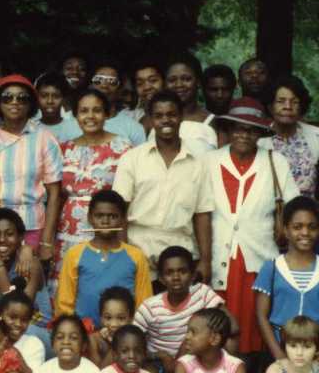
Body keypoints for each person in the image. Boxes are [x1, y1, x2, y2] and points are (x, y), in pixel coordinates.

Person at [205, 97, 299, 357]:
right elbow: (199, 210)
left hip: (258, 257)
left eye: (250, 129)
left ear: (259, 133)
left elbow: (293, 208)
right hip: (219, 256)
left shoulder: (275, 161)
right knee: (219, 325)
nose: (243, 134)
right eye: (237, 127)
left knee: (256, 323)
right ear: (228, 129)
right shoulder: (210, 161)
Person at [113, 90, 213, 281]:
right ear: (150, 119)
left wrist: (206, 261)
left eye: (171, 114)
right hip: (138, 250)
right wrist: (124, 255)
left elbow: (202, 214)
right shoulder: (132, 159)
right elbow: (120, 213)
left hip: (181, 257)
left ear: (181, 116)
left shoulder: (198, 162)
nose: (165, 120)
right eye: (158, 116)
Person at [0, 73, 63, 266]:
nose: (15, 102)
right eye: (8, 97)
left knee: (26, 284)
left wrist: (47, 240)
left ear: (31, 104)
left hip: (32, 227)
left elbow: (55, 194)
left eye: (22, 98)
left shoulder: (45, 139)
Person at [55, 88, 134, 287]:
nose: (90, 116)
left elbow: (129, 196)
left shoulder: (123, 148)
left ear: (107, 114)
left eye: (97, 110)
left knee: (105, 284)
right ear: (75, 115)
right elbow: (56, 195)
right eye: (84, 111)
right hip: (69, 229)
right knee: (71, 284)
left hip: (107, 227)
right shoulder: (64, 148)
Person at [258, 75, 319, 254]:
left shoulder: (317, 136)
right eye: (280, 101)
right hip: (273, 233)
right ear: (270, 105)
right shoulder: (260, 140)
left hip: (312, 232)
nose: (287, 107)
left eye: (294, 101)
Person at [254, 196, 319, 365]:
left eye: (312, 227)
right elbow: (262, 315)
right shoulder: (271, 268)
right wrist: (279, 357)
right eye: (297, 227)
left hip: (316, 353)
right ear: (285, 230)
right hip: (279, 352)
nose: (305, 233)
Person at [56, 190, 151, 325]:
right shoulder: (74, 254)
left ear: (123, 219)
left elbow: (144, 304)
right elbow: (64, 303)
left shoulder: (136, 256)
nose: (105, 221)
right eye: (99, 216)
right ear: (90, 218)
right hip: (84, 335)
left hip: (123, 336)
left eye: (112, 216)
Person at [134, 246, 228, 373]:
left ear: (193, 275)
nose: (176, 277)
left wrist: (184, 350)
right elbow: (132, 340)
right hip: (159, 363)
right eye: (169, 272)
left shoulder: (202, 293)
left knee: (229, 341)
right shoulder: (150, 307)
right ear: (160, 278)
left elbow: (231, 325)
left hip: (195, 356)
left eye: (182, 271)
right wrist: (159, 355)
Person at [0, 209, 52, 352]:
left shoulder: (30, 262)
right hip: (4, 329)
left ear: (20, 237)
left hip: (34, 330)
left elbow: (19, 309)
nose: (2, 239)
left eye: (9, 234)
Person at [162, 54, 217, 157]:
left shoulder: (213, 122)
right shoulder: (155, 120)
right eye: (172, 80)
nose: (179, 85)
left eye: (186, 79)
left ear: (198, 82)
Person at [90, 64, 146, 145]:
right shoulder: (71, 124)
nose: (104, 85)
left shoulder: (133, 127)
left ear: (120, 90)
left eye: (112, 81)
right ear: (90, 86)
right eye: (98, 80)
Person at [88, 287, 136, 368]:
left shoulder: (135, 339)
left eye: (121, 318)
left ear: (131, 319)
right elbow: (98, 372)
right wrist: (116, 344)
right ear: (100, 317)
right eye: (108, 318)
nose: (114, 325)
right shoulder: (94, 339)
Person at [33, 72, 81, 142]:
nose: (50, 101)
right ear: (37, 98)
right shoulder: (30, 129)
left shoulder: (76, 128)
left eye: (56, 96)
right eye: (44, 96)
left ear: (64, 99)